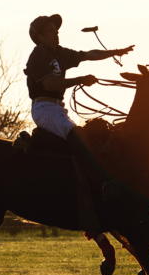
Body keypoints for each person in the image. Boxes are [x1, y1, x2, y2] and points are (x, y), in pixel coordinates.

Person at [24, 13, 134, 195]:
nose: (56, 33)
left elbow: (89, 54)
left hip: (58, 109)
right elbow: (49, 83)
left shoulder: (60, 53)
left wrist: (115, 52)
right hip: (43, 108)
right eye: (50, 30)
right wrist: (80, 79)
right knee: (78, 135)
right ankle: (102, 184)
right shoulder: (38, 54)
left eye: (56, 29)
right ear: (39, 36)